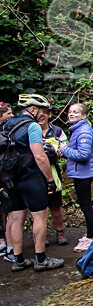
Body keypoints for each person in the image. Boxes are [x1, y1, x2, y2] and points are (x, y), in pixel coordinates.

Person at [3, 94, 63, 271]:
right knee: (39, 216)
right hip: (30, 177)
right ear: (33, 109)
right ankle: (41, 259)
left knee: (16, 217)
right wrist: (50, 180)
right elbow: (39, 155)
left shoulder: (6, 124)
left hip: (11, 178)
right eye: (41, 110)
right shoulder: (32, 126)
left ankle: (18, 259)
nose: (42, 114)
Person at [59, 103, 93, 252]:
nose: (71, 114)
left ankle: (90, 237)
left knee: (86, 205)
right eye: (70, 112)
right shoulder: (77, 130)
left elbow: (83, 155)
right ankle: (90, 234)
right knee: (85, 205)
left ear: (84, 116)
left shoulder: (84, 131)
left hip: (84, 174)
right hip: (80, 173)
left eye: (75, 112)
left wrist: (64, 149)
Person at [37, 105, 69, 246]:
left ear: (49, 115)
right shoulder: (30, 130)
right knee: (39, 208)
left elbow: (65, 145)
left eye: (44, 113)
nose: (41, 116)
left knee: (55, 207)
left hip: (53, 171)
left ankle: (60, 231)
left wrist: (61, 150)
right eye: (38, 113)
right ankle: (41, 235)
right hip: (35, 174)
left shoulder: (57, 130)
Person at [0, 102, 13, 257]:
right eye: (8, 114)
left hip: (7, 176)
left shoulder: (9, 131)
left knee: (7, 210)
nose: (12, 116)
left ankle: (7, 242)